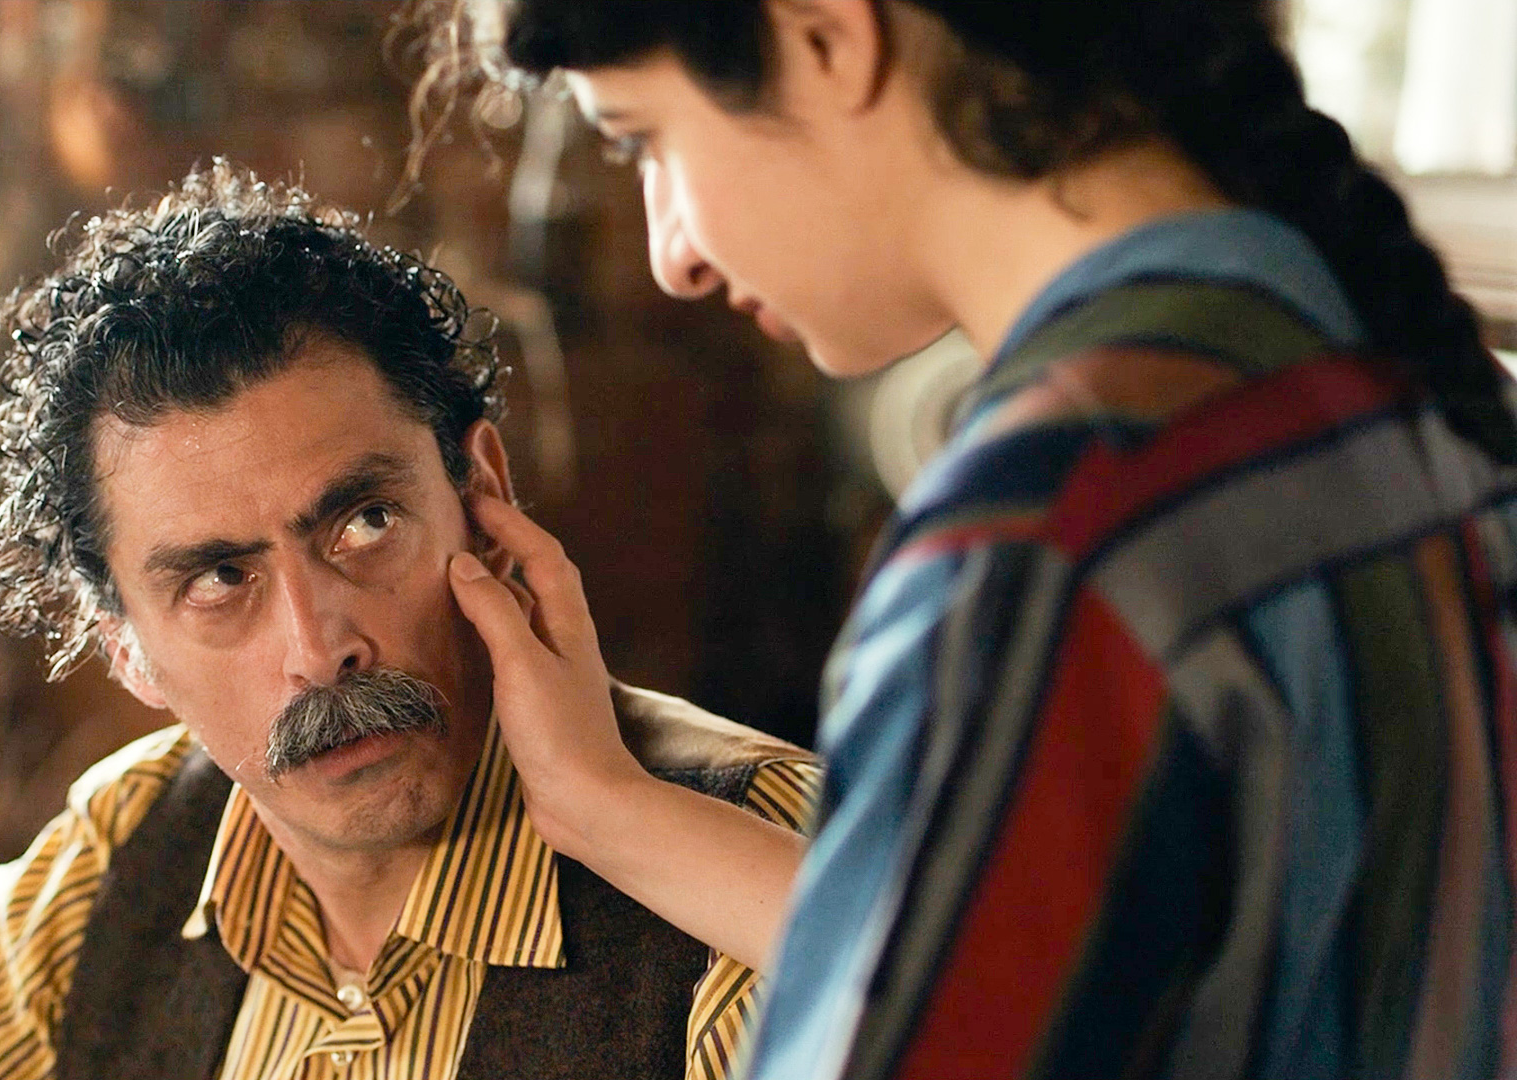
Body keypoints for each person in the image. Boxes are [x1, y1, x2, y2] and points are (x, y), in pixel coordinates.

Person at [413, 1, 1517, 1077]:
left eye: (646, 139)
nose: (672, 257)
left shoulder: (1051, 538)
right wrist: (603, 804)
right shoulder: (1357, 382)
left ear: (825, 37)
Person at [0, 161, 820, 1080]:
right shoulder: (121, 860)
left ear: (482, 495)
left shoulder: (766, 866)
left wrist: (607, 811)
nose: (319, 648)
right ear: (125, 647)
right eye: (220, 578)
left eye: (365, 523)